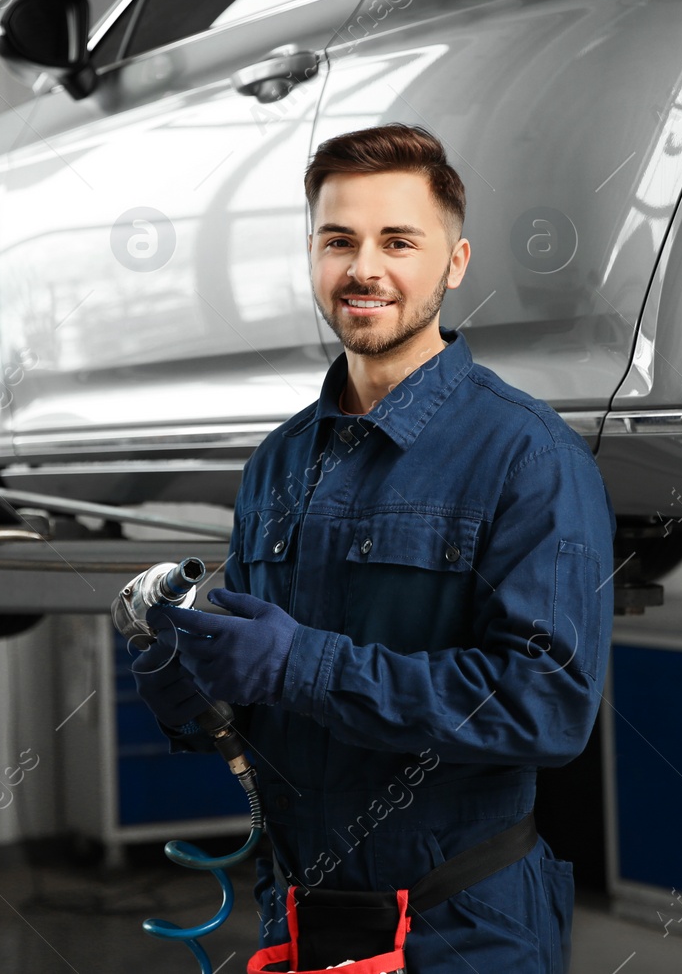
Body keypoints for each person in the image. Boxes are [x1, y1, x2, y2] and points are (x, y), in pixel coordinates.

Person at [131, 123, 616, 973]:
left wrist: (302, 667)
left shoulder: (529, 457)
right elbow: (265, 710)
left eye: (399, 241)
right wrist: (192, 687)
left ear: (455, 262)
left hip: (463, 929)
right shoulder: (277, 463)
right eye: (339, 240)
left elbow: (549, 705)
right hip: (302, 922)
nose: (365, 268)